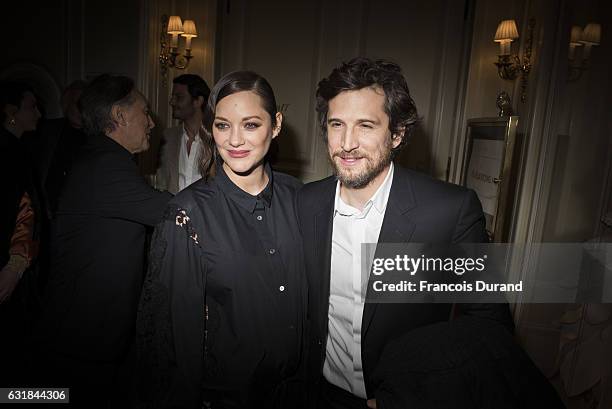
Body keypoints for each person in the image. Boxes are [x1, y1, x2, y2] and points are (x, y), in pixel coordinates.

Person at [296, 57, 516, 409]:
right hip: (319, 396)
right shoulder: (304, 203)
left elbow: (490, 328)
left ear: (397, 134)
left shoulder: (449, 212)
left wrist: (419, 394)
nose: (347, 143)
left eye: (366, 125)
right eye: (337, 124)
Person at [137, 71, 306, 409]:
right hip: (227, 397)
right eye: (223, 125)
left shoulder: (301, 198)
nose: (234, 140)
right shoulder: (186, 215)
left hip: (299, 393)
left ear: (275, 125)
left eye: (251, 125)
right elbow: (171, 342)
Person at [33, 74, 172, 406]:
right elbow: (169, 210)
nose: (151, 122)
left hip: (85, 332)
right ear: (120, 116)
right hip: (80, 338)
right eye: (145, 112)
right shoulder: (107, 164)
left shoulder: (101, 158)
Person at [0, 80, 41, 386]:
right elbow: (25, 212)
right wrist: (15, 265)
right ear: (11, 112)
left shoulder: (20, 149)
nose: (38, 113)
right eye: (31, 107)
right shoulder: (11, 152)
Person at [156, 74, 212, 193]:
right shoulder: (168, 136)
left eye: (179, 97)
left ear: (198, 101)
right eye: (172, 97)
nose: (172, 102)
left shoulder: (217, 138)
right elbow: (162, 182)